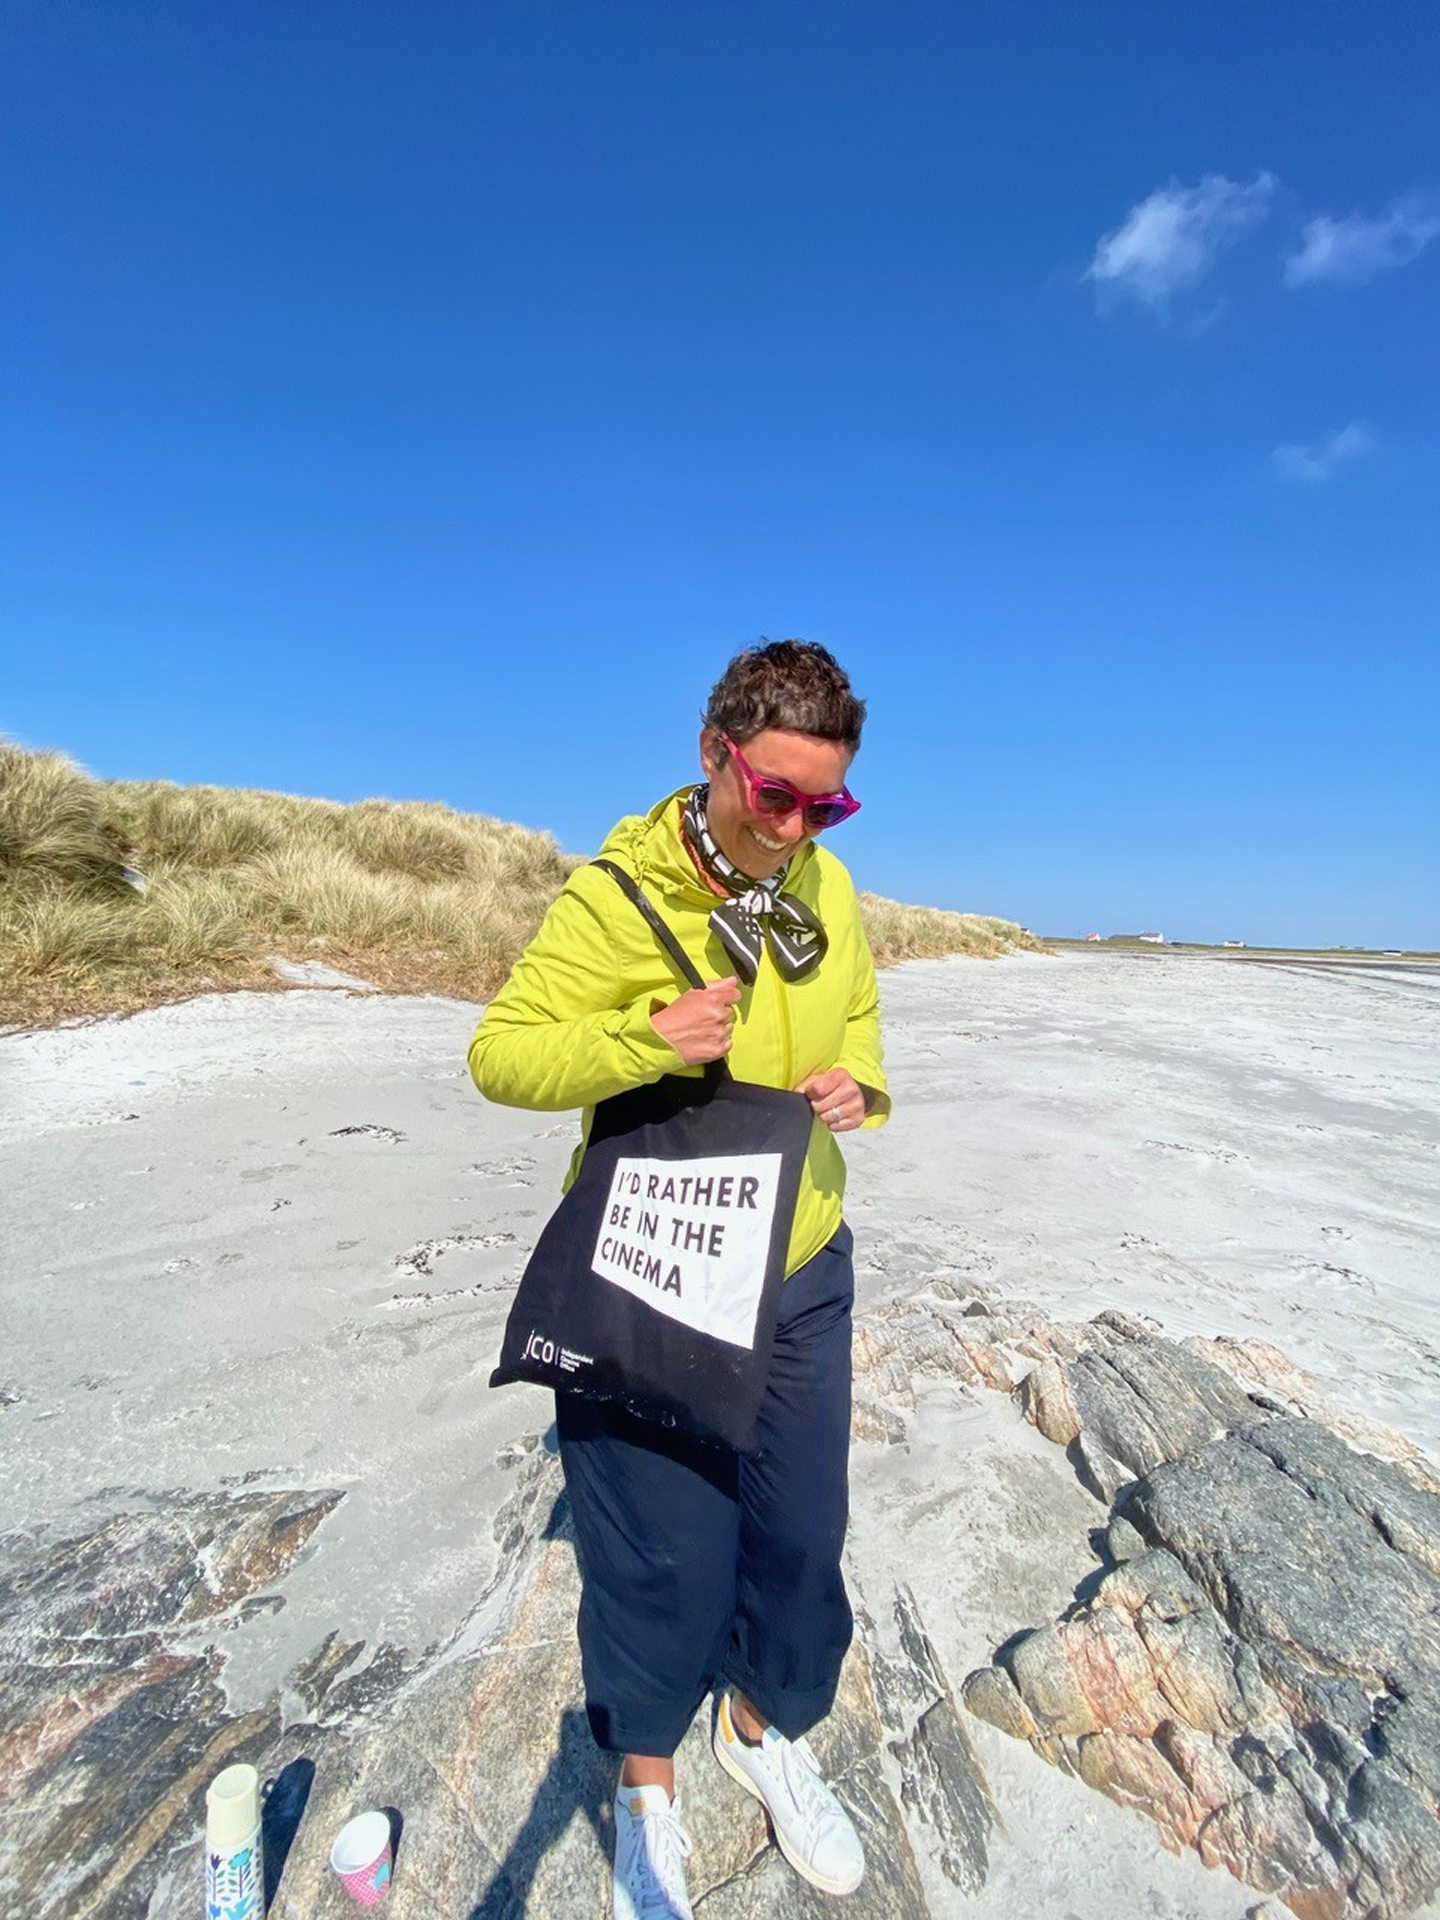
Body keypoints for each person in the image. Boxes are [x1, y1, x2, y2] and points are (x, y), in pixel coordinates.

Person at [468, 640, 889, 1917]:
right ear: (714, 757)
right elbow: (501, 1054)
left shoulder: (829, 888)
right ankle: (645, 1782)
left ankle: (760, 1731)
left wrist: (856, 1090)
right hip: (657, 1276)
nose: (798, 825)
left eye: (829, 802)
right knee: (664, 1555)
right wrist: (634, 1040)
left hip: (802, 1264)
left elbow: (864, 1031)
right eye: (778, 795)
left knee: (803, 1537)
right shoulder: (616, 897)